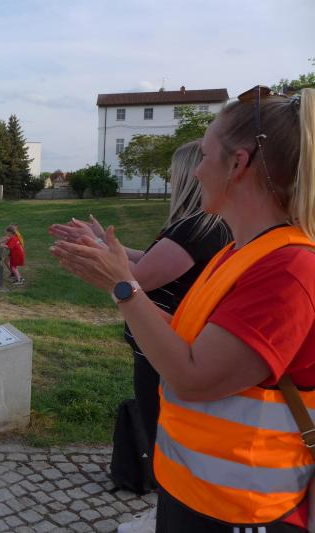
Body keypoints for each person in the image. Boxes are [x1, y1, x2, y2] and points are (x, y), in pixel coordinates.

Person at [51, 88, 315, 532]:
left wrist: (122, 286)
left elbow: (193, 377)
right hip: (194, 496)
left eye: (205, 156)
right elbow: (189, 338)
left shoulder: (289, 269)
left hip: (243, 510)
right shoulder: (239, 253)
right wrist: (119, 278)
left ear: (238, 165)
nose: (195, 172)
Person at [49, 141, 231, 468]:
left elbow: (138, 278)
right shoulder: (198, 225)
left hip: (163, 344)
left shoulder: (196, 228)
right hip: (164, 341)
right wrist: (103, 243)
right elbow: (148, 260)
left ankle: (161, 492)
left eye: (173, 172)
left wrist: (99, 256)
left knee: (160, 434)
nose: (170, 178)